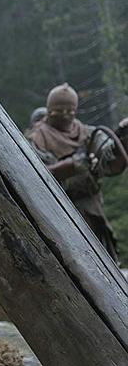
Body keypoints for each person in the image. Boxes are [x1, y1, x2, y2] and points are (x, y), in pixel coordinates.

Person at [26, 83, 127, 261]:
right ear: (50, 111)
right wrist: (72, 165)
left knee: (103, 263)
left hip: (92, 212)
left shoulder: (87, 133)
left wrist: (123, 137)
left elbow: (110, 160)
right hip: (57, 214)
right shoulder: (37, 138)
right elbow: (35, 174)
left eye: (69, 111)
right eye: (60, 111)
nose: (65, 115)